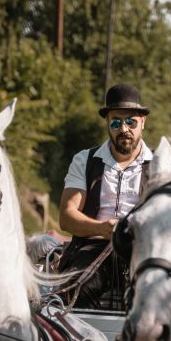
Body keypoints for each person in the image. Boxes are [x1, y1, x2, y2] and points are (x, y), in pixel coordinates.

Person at [58, 83, 153, 308]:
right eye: (116, 122)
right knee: (73, 292)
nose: (124, 129)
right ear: (107, 123)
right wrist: (101, 229)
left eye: (131, 122)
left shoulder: (162, 165)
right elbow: (67, 216)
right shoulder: (85, 160)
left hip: (143, 252)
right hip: (93, 249)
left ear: (143, 122)